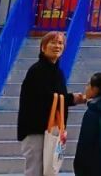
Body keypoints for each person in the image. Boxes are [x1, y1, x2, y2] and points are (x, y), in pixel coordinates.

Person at [17, 32, 84, 176]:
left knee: (49, 171)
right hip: (36, 130)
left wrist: (71, 99)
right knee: (35, 171)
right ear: (43, 47)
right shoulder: (37, 70)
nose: (57, 46)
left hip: (52, 130)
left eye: (60, 43)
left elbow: (58, 97)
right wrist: (72, 98)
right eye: (53, 42)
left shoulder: (57, 72)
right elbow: (45, 98)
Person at [74, 73, 101, 176]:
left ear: (95, 89)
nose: (86, 87)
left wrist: (79, 169)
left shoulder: (92, 114)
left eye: (88, 84)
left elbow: (84, 146)